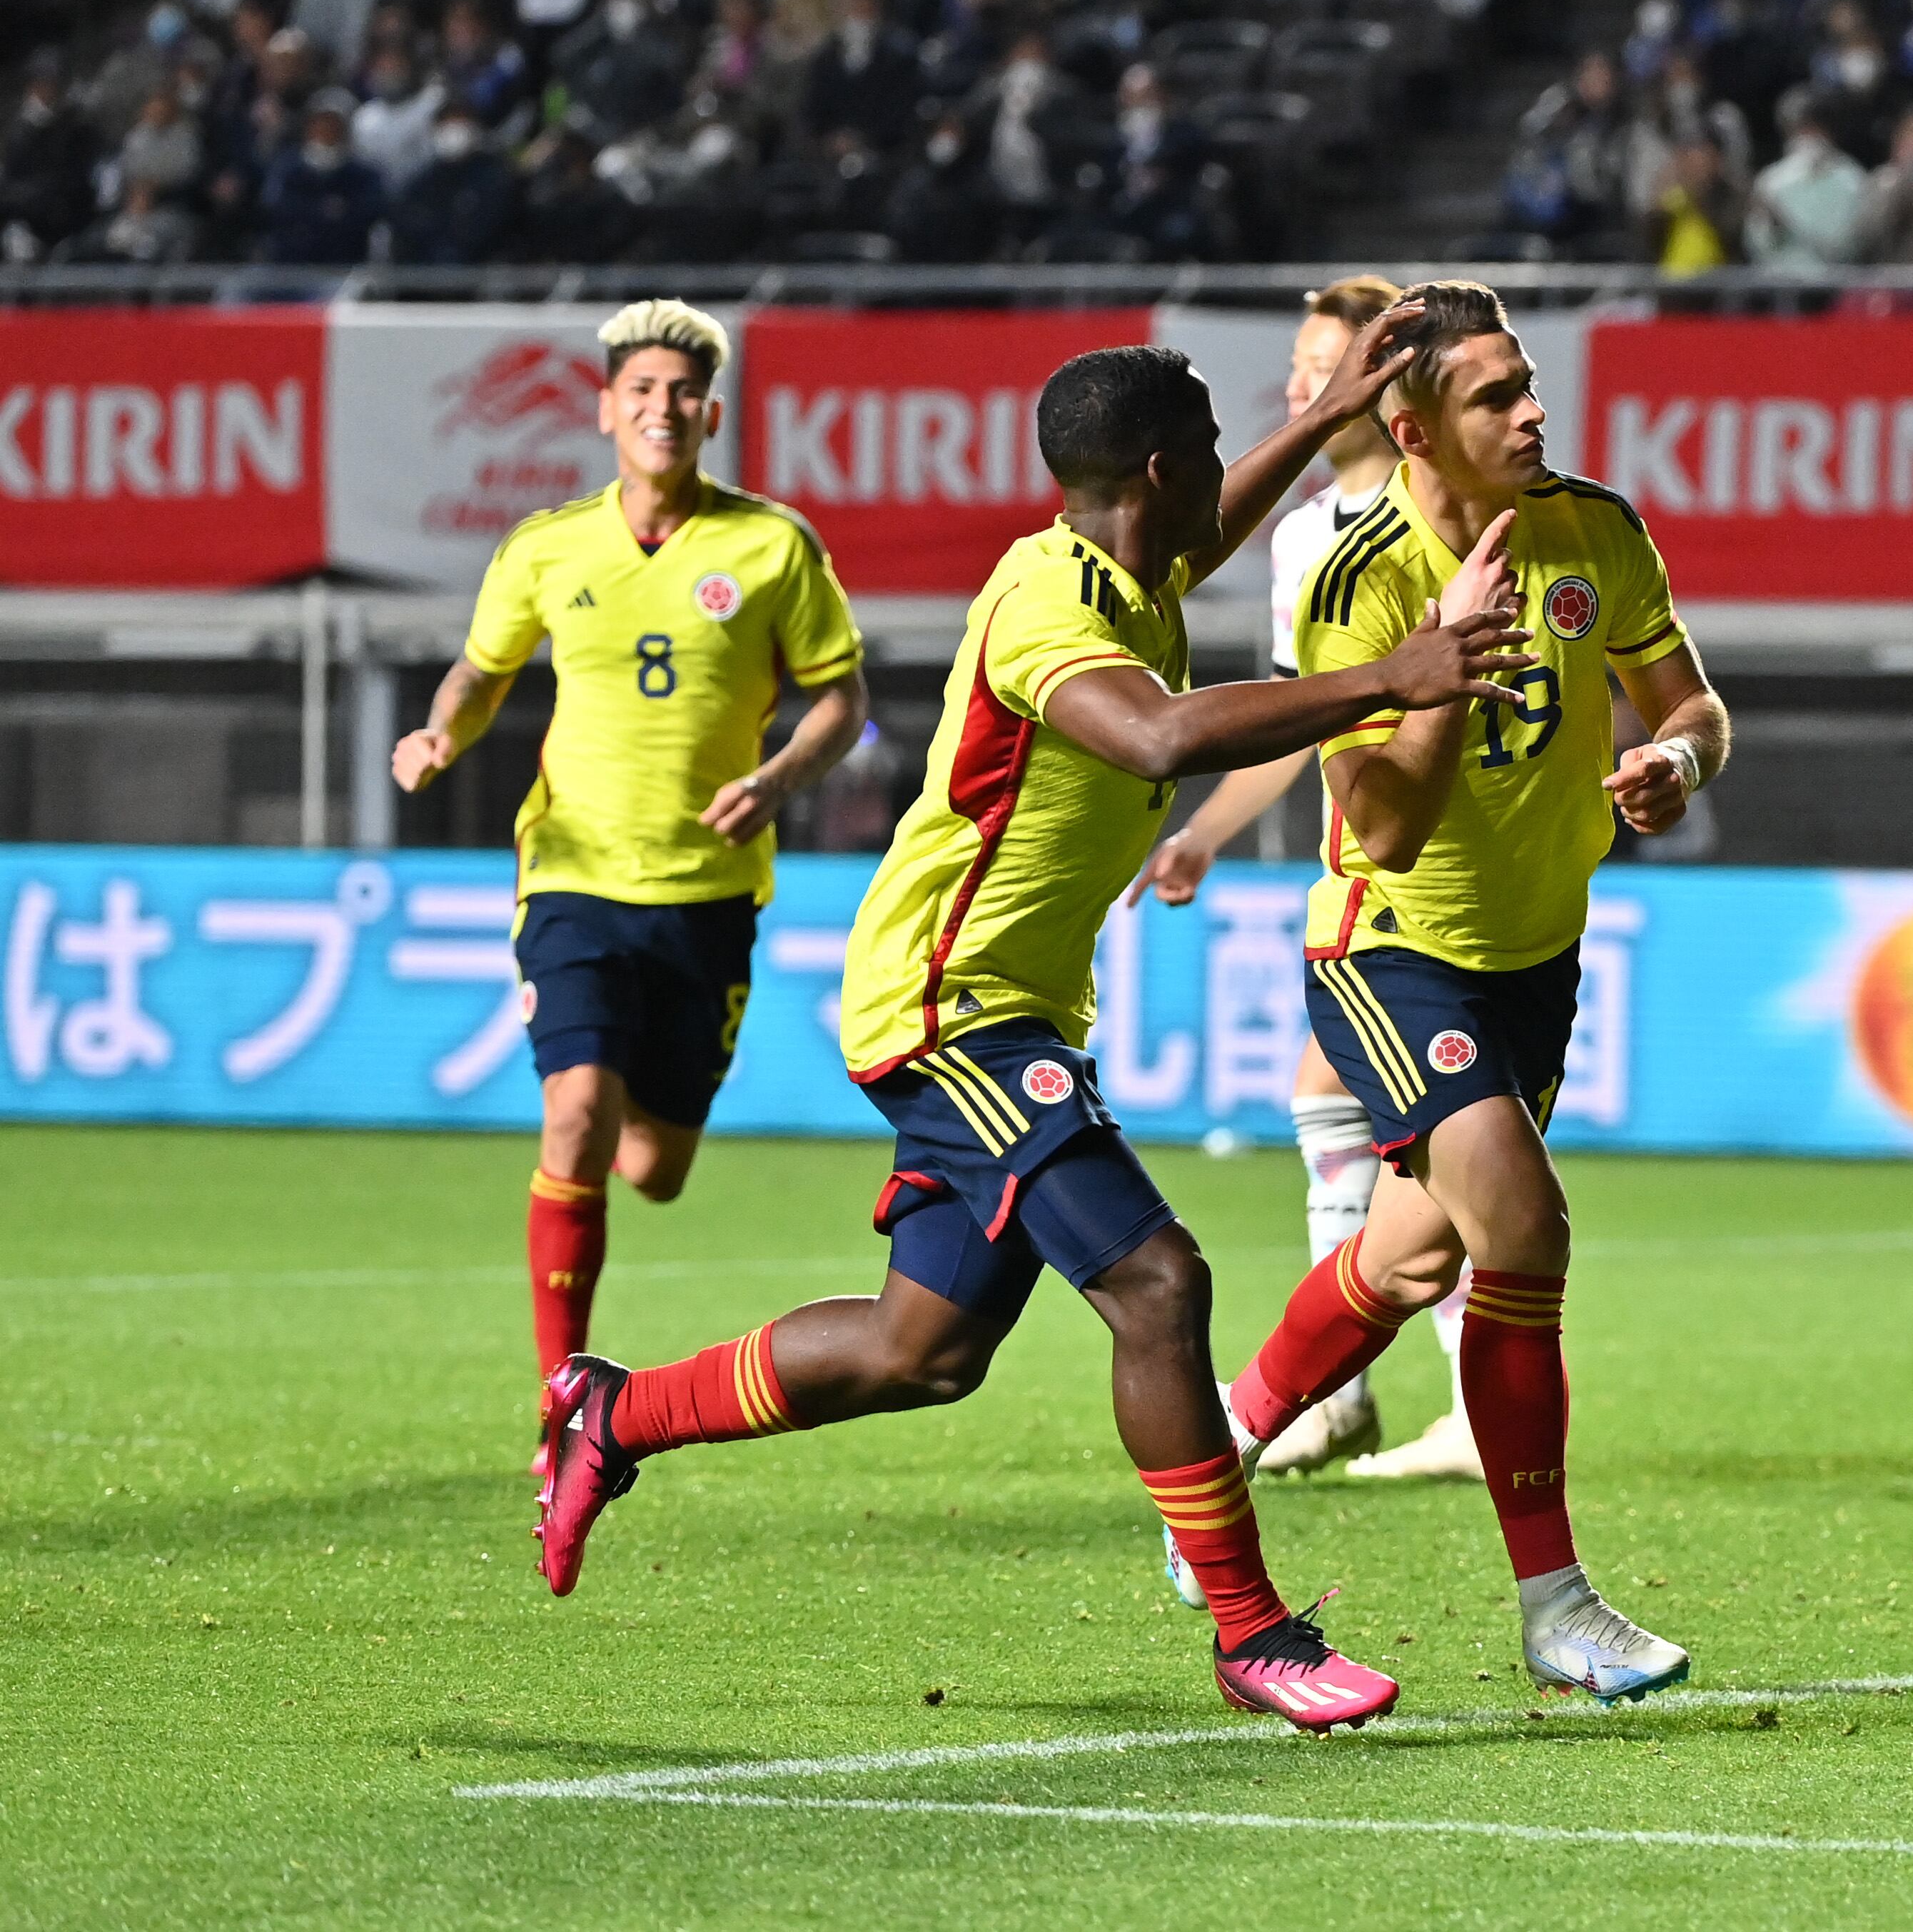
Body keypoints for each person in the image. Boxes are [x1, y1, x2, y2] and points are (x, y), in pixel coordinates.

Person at [532, 330, 1540, 1734]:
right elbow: (1156, 738)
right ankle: (1253, 1635)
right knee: (1159, 1283)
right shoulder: (1047, 605)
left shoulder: (1132, 562)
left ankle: (610, 1410)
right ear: (1153, 470)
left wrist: (1323, 418)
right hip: (951, 1005)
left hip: (997, 1003)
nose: (1217, 469)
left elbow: (1218, 518)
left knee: (919, 1347)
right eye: (1204, 438)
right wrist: (1394, 676)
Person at [1198, 281, 1733, 1705]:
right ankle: (1557, 1603)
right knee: (1525, 1223)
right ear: (1415, 423)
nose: (1535, 410)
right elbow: (1378, 828)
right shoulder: (1355, 573)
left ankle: (1221, 1431)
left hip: (1536, 957)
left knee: (1409, 1258)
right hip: (1390, 946)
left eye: (1530, 382)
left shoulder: (1596, 528)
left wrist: (1677, 761)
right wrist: (1441, 658)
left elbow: (1694, 702)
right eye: (1496, 396)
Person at [390, 302, 870, 1482]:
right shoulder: (548, 547)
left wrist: (777, 777)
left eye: (682, 392)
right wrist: (441, 734)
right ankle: (565, 1401)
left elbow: (841, 699)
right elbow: (480, 668)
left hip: (708, 895)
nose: (661, 409)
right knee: (575, 1116)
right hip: (572, 873)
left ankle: (607, 1152)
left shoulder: (771, 548)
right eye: (639, 390)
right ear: (606, 409)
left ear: (712, 413)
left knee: (653, 1169)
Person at [1128, 274, 1495, 1488]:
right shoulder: (1300, 534)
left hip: (1441, 869)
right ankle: (1346, 1400)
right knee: (1340, 1104)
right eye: (1295, 365)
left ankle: (1414, 1404)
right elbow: (1305, 718)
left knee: (1445, 1156)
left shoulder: (1430, 512)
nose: (1299, 385)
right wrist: (1205, 832)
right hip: (1358, 868)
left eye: (1323, 363)